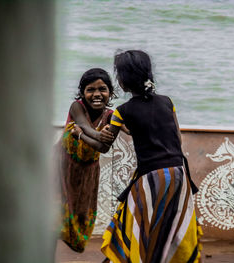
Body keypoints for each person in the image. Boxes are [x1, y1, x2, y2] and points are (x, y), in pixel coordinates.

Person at [74, 50, 203, 262]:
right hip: (180, 175)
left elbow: (103, 146)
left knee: (137, 226)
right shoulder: (167, 102)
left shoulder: (122, 112)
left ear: (123, 82)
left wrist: (80, 134)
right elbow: (176, 139)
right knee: (168, 229)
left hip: (152, 179)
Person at [56, 68, 116, 253]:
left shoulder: (111, 116)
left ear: (110, 93)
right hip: (59, 168)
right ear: (82, 93)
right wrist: (97, 134)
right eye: (90, 90)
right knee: (52, 216)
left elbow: (103, 147)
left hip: (86, 175)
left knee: (81, 217)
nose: (96, 94)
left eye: (102, 89)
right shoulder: (77, 107)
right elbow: (83, 125)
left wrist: (81, 136)